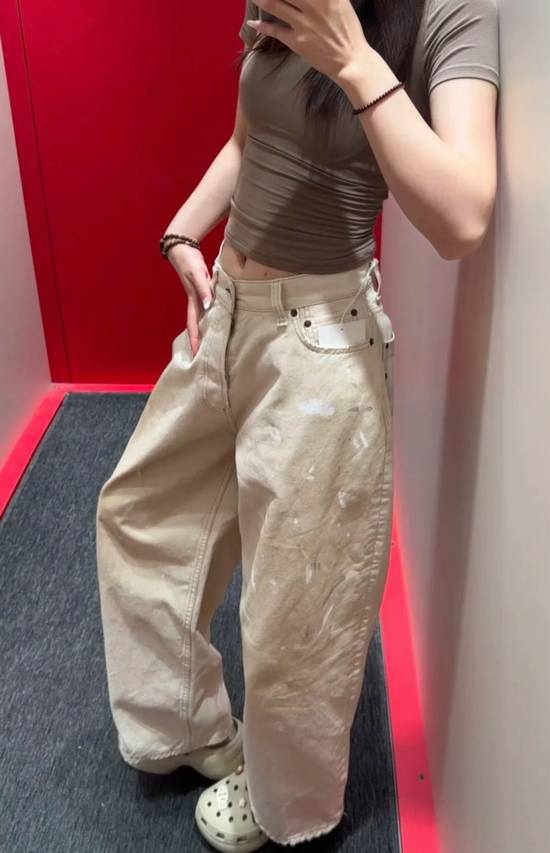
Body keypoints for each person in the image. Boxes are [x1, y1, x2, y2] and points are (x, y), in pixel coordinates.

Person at [95, 0, 500, 850]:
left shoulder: (453, 14)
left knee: (296, 608)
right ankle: (188, 724)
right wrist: (182, 232)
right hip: (229, 314)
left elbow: (463, 217)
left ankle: (288, 804)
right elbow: (248, 142)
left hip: (322, 342)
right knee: (140, 518)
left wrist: (354, 61)